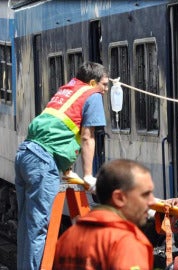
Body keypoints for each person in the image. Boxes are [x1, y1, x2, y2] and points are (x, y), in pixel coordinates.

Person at [14, 61, 109, 269]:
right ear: (93, 83)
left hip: (25, 154)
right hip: (42, 162)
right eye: (104, 84)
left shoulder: (68, 89)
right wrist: (87, 175)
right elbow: (87, 137)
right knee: (38, 227)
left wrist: (65, 166)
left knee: (27, 225)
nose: (106, 89)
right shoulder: (92, 95)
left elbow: (59, 129)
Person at [53, 159, 155, 269]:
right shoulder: (125, 243)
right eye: (145, 194)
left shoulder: (68, 237)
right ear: (119, 198)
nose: (152, 201)